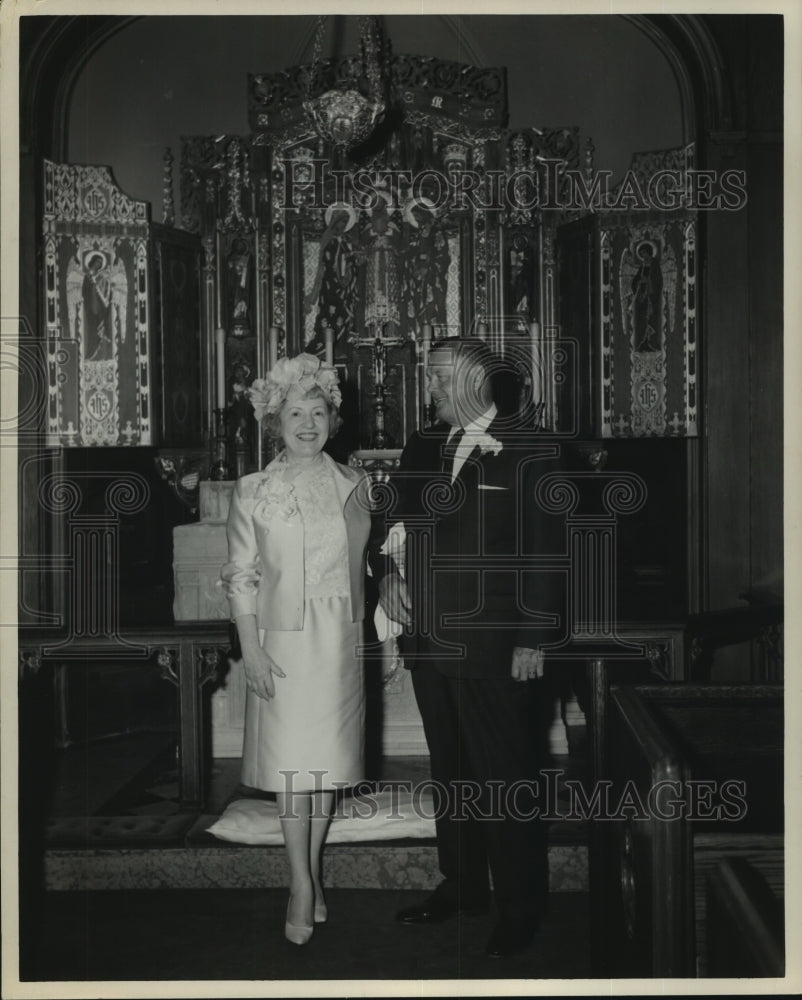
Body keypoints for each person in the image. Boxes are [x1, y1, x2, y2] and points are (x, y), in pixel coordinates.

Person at [369, 336, 563, 958]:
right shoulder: (425, 444)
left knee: (505, 776)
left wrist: (533, 639)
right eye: (429, 377)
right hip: (429, 641)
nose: (427, 389)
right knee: (452, 772)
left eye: (438, 378)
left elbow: (548, 550)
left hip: (498, 644)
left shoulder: (533, 445)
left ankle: (520, 905)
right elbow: (386, 523)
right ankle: (462, 887)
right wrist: (387, 575)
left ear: (477, 382)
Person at [221, 353, 372, 946]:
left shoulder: (355, 485)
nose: (306, 423)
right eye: (293, 413)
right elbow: (240, 575)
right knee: (293, 767)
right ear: (274, 422)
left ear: (332, 420)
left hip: (338, 637)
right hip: (280, 640)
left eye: (317, 411)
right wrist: (249, 650)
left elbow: (374, 559)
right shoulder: (254, 489)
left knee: (326, 765)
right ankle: (301, 883)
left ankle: (309, 872)